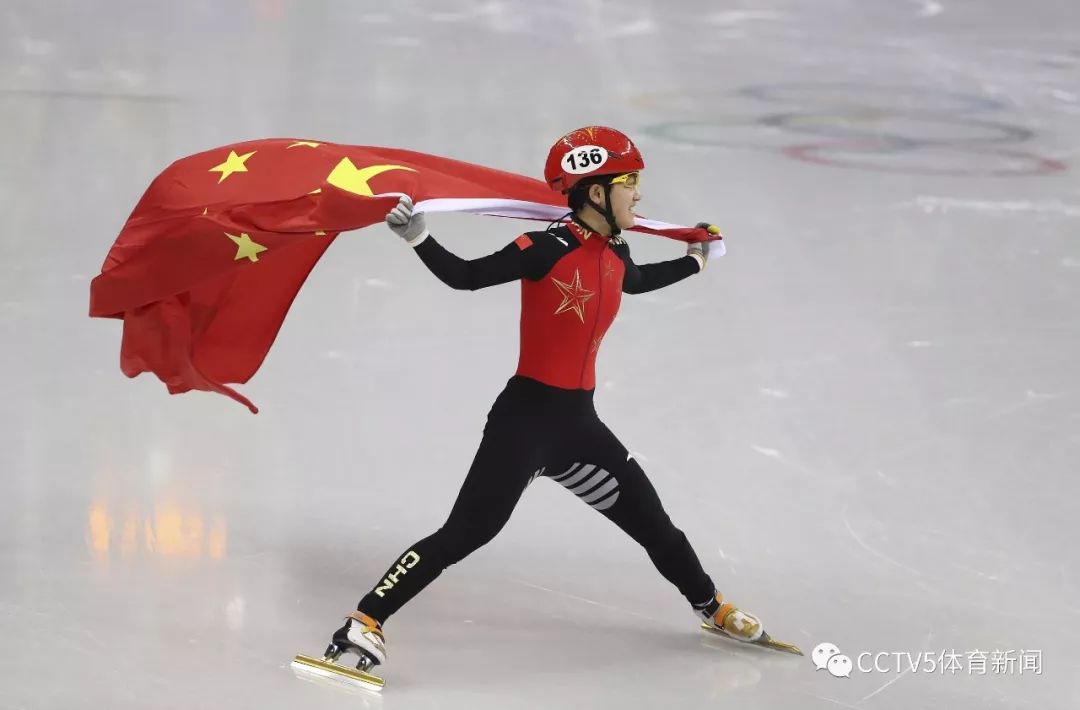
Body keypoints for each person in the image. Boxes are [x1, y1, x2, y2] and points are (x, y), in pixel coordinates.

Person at [318, 126, 763, 678]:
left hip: (580, 427)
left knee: (655, 524)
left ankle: (710, 606)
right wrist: (419, 238)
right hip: (524, 424)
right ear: (596, 193)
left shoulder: (615, 247)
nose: (639, 195)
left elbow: (637, 281)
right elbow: (468, 277)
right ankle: (363, 623)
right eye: (630, 183)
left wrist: (695, 261)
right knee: (466, 533)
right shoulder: (545, 247)